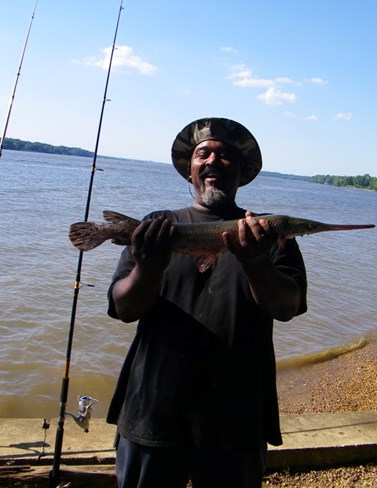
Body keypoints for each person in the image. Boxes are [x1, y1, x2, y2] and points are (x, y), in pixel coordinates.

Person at [106, 117, 308, 488]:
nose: (213, 160)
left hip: (238, 417)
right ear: (190, 170)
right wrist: (148, 268)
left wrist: (257, 262)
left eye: (226, 155)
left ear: (242, 172)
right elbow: (125, 308)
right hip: (152, 409)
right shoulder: (157, 225)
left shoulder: (271, 235)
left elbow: (286, 308)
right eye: (204, 153)